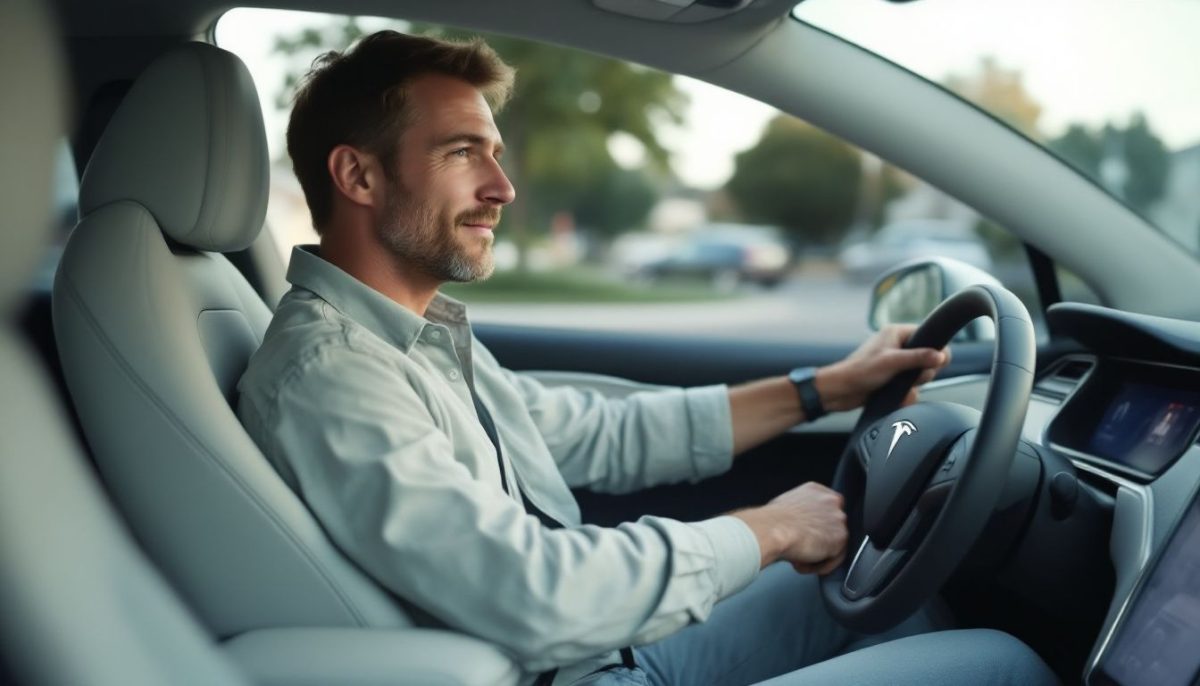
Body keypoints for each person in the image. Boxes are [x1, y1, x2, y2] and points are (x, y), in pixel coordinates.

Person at [238, 30, 1058, 686]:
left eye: (494, 151)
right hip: (558, 661)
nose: (503, 187)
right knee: (1005, 665)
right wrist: (767, 529)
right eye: (462, 153)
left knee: (877, 598)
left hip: (602, 654)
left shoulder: (413, 336)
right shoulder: (331, 374)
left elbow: (602, 434)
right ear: (358, 176)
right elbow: (534, 593)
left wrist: (827, 388)